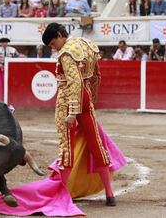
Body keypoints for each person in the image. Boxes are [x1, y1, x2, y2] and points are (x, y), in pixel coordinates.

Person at [39, 22, 124, 207]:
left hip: (69, 100)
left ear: (61, 35)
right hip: (85, 97)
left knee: (66, 148)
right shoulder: (86, 44)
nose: (53, 48)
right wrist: (90, 100)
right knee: (97, 145)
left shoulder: (67, 53)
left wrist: (72, 112)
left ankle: (63, 196)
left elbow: (74, 83)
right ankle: (110, 194)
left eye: (53, 43)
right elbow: (95, 76)